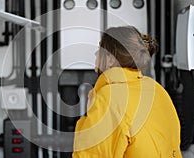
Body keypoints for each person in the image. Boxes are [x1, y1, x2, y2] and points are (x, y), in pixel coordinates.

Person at [72, 26, 182, 158]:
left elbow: (92, 154)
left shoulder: (110, 97)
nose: (95, 54)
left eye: (99, 48)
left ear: (110, 59)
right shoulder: (155, 88)